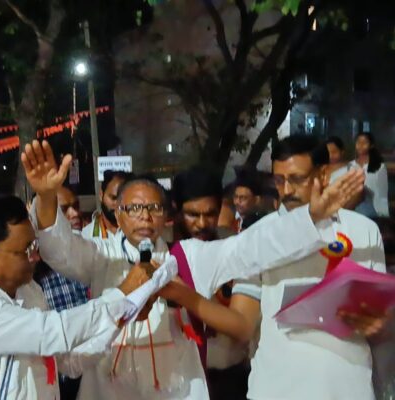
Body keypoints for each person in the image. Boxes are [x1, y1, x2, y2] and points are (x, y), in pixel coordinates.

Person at [21, 139, 364, 400]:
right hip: (109, 388)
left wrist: (311, 216)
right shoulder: (100, 254)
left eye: (153, 207)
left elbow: (249, 248)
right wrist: (47, 197)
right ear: (118, 214)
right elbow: (59, 250)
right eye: (134, 208)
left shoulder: (186, 258)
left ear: (166, 216)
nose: (144, 216)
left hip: (175, 388)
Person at [165, 135, 386, 400]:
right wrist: (185, 296)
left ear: (323, 174)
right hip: (278, 387)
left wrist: (379, 324)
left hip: (347, 385)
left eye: (297, 179)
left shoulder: (363, 231)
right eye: (279, 180)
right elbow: (243, 323)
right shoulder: (258, 237)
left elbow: (381, 313)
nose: (287, 189)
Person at [0, 196, 156, 400]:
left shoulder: (28, 290)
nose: (36, 257)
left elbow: (69, 360)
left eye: (35, 245)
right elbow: (50, 333)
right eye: (26, 250)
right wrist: (122, 294)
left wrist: (122, 316)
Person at [172, 167, 249, 400]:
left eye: (210, 214)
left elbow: (244, 324)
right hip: (181, 379)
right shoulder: (163, 255)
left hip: (230, 377)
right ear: (176, 210)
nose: (202, 223)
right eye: (192, 214)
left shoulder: (234, 249)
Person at [36, 185, 90, 399]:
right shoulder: (35, 267)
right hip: (61, 379)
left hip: (96, 368)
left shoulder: (90, 252)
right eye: (64, 209)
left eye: (76, 206)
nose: (75, 214)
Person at [82, 170, 133, 240]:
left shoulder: (138, 233)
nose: (118, 205)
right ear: (101, 195)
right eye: (113, 198)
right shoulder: (87, 236)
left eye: (123, 199)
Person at [350, 132, 390, 217]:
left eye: (364, 142)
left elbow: (383, 193)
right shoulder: (351, 165)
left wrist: (383, 213)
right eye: (358, 142)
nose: (360, 145)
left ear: (371, 145)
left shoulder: (379, 166)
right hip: (356, 208)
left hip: (375, 211)